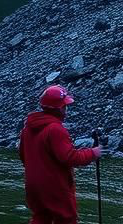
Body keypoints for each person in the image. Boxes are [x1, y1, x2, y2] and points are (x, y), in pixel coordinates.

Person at [19, 85, 101, 224]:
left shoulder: (27, 129)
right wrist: (93, 153)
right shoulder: (55, 129)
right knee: (66, 218)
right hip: (55, 186)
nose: (66, 110)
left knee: (41, 217)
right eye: (64, 106)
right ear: (58, 109)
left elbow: (23, 155)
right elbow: (69, 157)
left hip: (33, 185)